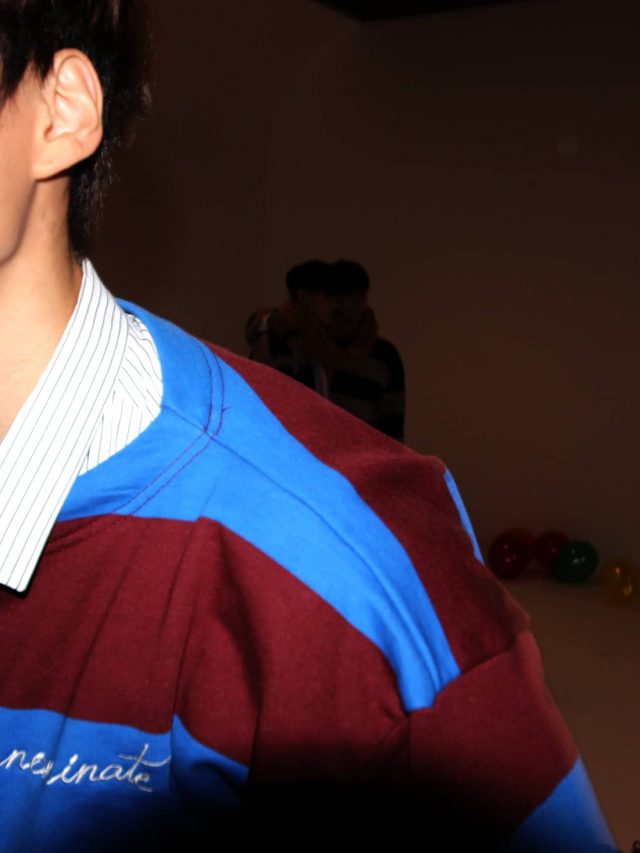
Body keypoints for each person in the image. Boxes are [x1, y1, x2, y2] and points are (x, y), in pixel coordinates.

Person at [0, 1, 618, 851]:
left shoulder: (344, 568)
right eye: (323, 296)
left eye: (341, 296)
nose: (333, 308)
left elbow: (377, 422)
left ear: (60, 109)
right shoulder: (286, 342)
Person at [248, 259, 405, 441]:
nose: (356, 305)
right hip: (302, 446)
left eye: (362, 296)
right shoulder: (302, 343)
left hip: (358, 450)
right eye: (345, 296)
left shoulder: (382, 355)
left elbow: (393, 424)